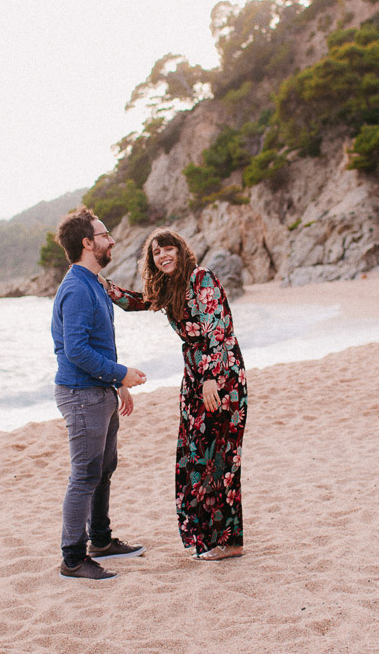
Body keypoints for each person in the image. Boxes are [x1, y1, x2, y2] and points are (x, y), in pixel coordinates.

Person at [102, 228, 247, 561]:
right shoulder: (168, 288)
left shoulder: (201, 278)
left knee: (219, 457)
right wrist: (106, 287)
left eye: (169, 249)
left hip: (221, 374)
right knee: (195, 454)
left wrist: (211, 377)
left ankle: (230, 541)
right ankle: (217, 539)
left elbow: (218, 327)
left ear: (182, 252)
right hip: (194, 376)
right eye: (156, 253)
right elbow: (136, 302)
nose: (163, 256)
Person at [51, 207, 148, 580]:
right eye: (105, 235)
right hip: (80, 394)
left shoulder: (95, 283)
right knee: (85, 474)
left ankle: (101, 541)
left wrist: (116, 382)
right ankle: (73, 558)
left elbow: (97, 343)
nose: (112, 240)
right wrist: (120, 373)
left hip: (98, 389)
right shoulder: (76, 288)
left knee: (104, 469)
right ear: (88, 243)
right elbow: (75, 350)